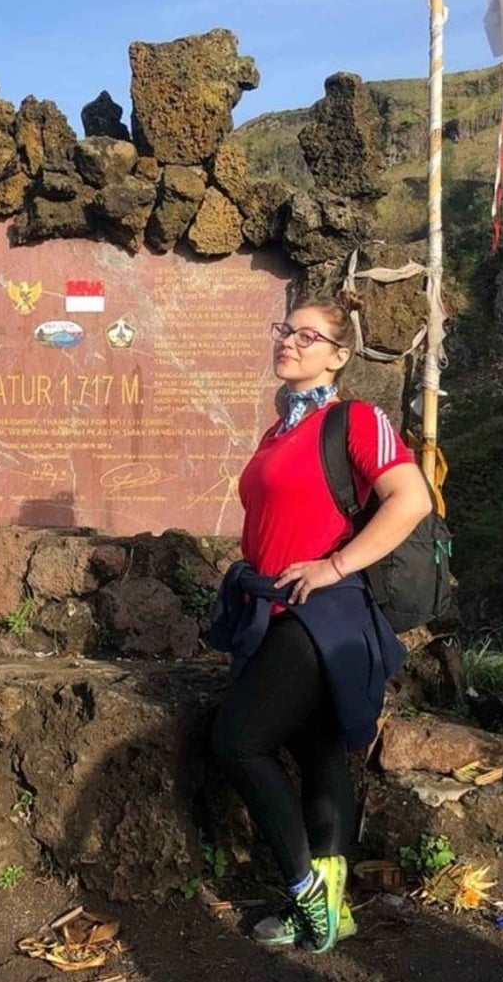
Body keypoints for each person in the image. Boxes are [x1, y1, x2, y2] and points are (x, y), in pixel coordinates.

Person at [210, 294, 431, 954]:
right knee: (315, 748)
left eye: (308, 336)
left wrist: (337, 564)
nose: (291, 342)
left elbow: (411, 497)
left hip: (319, 614)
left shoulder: (355, 419)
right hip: (275, 607)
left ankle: (306, 892)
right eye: (286, 329)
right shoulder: (279, 430)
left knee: (238, 739)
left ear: (338, 356)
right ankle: (328, 911)